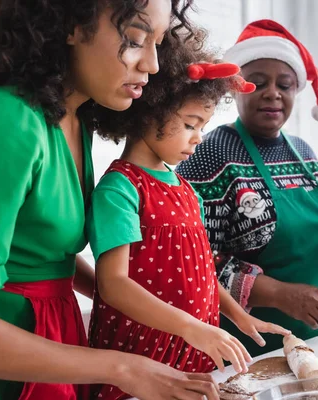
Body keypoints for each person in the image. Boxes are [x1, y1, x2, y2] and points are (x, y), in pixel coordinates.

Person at [0, 1, 221, 399]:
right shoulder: (6, 119)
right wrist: (122, 367)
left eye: (158, 44)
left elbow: (46, 261)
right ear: (70, 22)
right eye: (137, 38)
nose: (153, 65)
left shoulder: (74, 119)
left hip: (55, 341)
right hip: (2, 364)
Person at [87, 31, 289, 399]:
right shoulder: (120, 189)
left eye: (203, 127)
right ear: (149, 112)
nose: (198, 138)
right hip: (142, 358)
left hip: (193, 350)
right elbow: (112, 285)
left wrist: (238, 316)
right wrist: (190, 327)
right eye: (191, 124)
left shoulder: (185, 188)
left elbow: (202, 268)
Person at [177, 19, 318, 356]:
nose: (273, 93)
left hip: (311, 336)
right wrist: (281, 294)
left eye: (285, 84)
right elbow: (194, 262)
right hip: (241, 341)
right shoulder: (211, 153)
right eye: (257, 82)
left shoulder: (304, 153)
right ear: (235, 86)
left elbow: (309, 235)